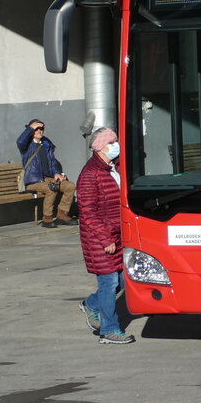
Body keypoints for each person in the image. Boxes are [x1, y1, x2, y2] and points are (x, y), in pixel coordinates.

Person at [75, 127, 134, 344]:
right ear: (101, 146)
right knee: (109, 283)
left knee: (121, 279)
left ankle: (91, 304)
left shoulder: (113, 169)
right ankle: (108, 330)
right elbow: (88, 212)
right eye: (112, 142)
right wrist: (105, 239)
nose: (116, 146)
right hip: (101, 239)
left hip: (117, 235)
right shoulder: (90, 175)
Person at [16, 119, 76, 228]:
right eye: (36, 129)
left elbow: (52, 161)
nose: (39, 131)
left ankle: (62, 215)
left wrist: (57, 173)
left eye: (41, 128)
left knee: (70, 186)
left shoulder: (46, 144)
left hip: (49, 178)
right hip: (34, 180)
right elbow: (20, 141)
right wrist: (30, 127)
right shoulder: (26, 145)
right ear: (31, 130)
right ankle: (47, 218)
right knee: (51, 188)